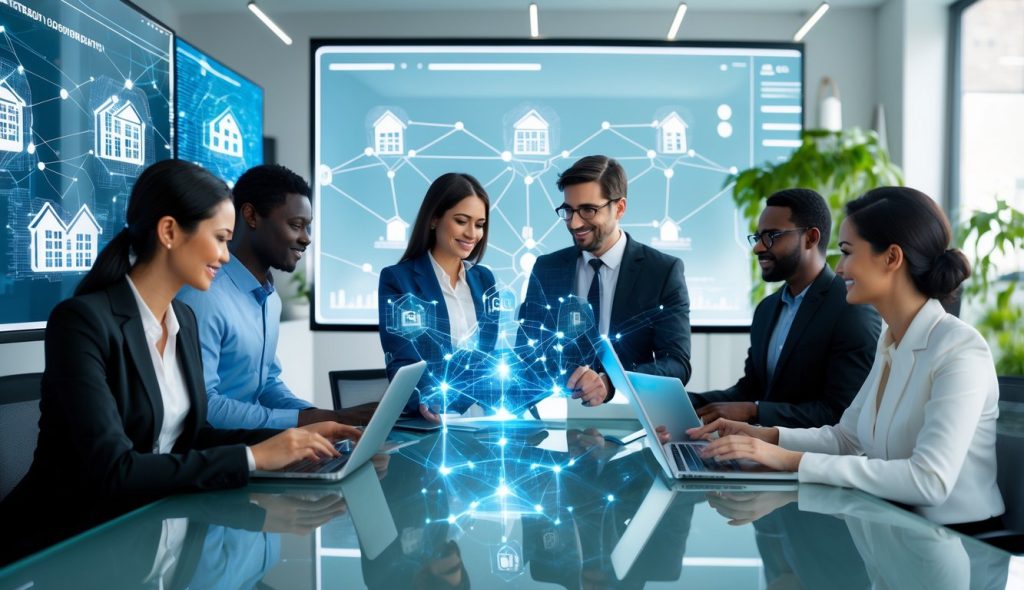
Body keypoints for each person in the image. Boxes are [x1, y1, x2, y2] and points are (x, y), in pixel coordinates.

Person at [0, 160, 359, 565]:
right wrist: (254, 457)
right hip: (64, 547)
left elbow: (188, 439)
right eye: (220, 239)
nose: (226, 257)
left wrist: (293, 438)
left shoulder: (183, 320)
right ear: (170, 232)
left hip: (151, 533)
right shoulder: (82, 322)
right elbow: (113, 471)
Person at [679, 186, 1004, 530]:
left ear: (892, 258)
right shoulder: (892, 341)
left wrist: (787, 459)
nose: (839, 266)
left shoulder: (960, 350)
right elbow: (846, 440)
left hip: (962, 546)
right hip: (895, 533)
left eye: (847, 252)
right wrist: (764, 436)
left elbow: (929, 481)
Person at [177, 164, 371, 429]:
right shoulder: (204, 296)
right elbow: (206, 408)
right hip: (220, 457)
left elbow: (266, 385)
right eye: (296, 225)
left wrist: (324, 418)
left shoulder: (270, 299)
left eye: (307, 227)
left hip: (255, 446)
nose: (306, 239)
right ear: (251, 216)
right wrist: (312, 420)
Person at [691, 188, 880, 427]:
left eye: (772, 236)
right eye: (758, 237)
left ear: (811, 238)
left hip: (813, 461)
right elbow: (751, 391)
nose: (758, 247)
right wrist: (685, 401)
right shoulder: (767, 310)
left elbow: (840, 413)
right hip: (762, 456)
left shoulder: (851, 308)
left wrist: (755, 412)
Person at [517, 155, 691, 407]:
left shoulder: (662, 271)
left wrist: (611, 382)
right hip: (557, 416)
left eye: (588, 210)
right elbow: (526, 353)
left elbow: (677, 364)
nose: (574, 223)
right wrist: (572, 380)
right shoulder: (547, 269)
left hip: (631, 417)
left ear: (619, 208)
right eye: (568, 210)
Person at [377, 173, 498, 421]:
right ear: (434, 219)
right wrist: (425, 401)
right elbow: (403, 360)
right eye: (462, 221)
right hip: (431, 419)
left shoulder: (485, 280)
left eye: (479, 224)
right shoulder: (399, 280)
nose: (472, 234)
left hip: (482, 420)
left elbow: (488, 357)